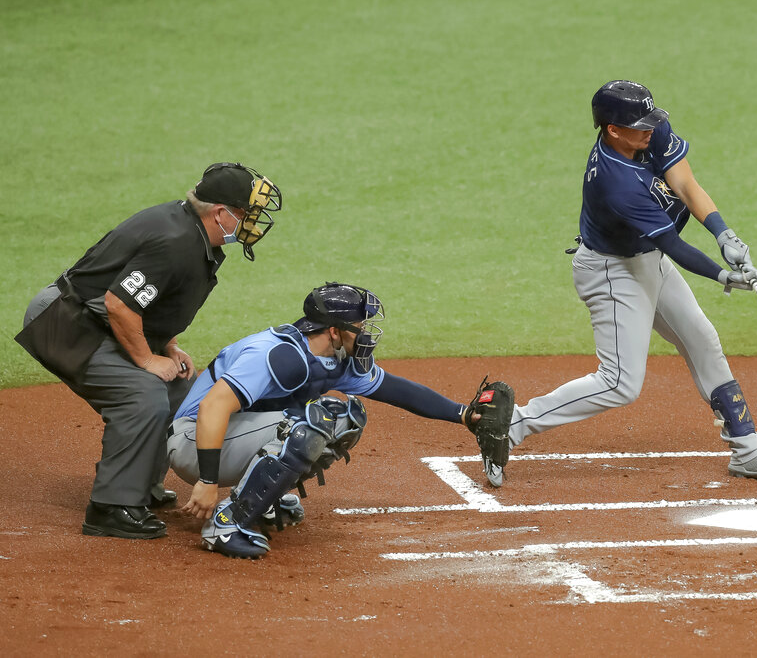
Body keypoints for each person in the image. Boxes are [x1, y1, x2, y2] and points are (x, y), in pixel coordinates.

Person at [482, 80, 757, 489]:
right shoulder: (615, 181)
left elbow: (685, 184)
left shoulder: (648, 131)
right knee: (618, 384)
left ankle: (748, 450)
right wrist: (722, 275)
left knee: (703, 339)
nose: (651, 129)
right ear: (613, 129)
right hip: (613, 273)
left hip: (646, 261)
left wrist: (724, 234)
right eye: (640, 124)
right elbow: (671, 244)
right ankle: (508, 425)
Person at [15, 162, 282, 539]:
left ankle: (139, 485)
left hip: (95, 319)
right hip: (66, 322)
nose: (253, 222)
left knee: (181, 391)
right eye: (247, 213)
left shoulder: (193, 233)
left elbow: (149, 298)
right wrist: (145, 358)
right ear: (221, 213)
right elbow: (119, 303)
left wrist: (167, 346)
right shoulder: (175, 242)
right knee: (142, 394)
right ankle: (110, 508)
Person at [166, 282, 508, 559]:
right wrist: (207, 481)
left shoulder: (332, 360)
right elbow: (213, 408)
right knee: (309, 424)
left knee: (343, 418)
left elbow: (395, 390)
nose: (365, 334)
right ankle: (226, 524)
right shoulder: (276, 355)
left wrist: (463, 414)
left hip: (233, 436)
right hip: (193, 442)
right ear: (333, 331)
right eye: (358, 326)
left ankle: (259, 501)